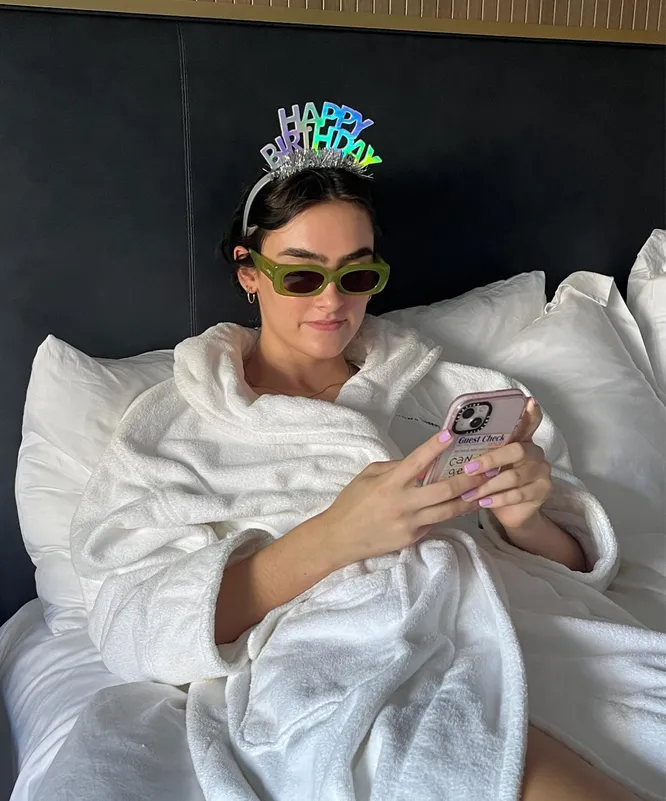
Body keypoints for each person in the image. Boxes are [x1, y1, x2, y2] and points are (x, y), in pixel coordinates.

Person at [69, 165, 657, 801]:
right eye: (301, 276)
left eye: (356, 276)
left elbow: (574, 568)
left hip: (516, 623)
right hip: (334, 657)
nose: (332, 302)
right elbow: (128, 623)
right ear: (248, 272)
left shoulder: (443, 389)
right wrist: (334, 538)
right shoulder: (173, 429)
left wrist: (526, 519)